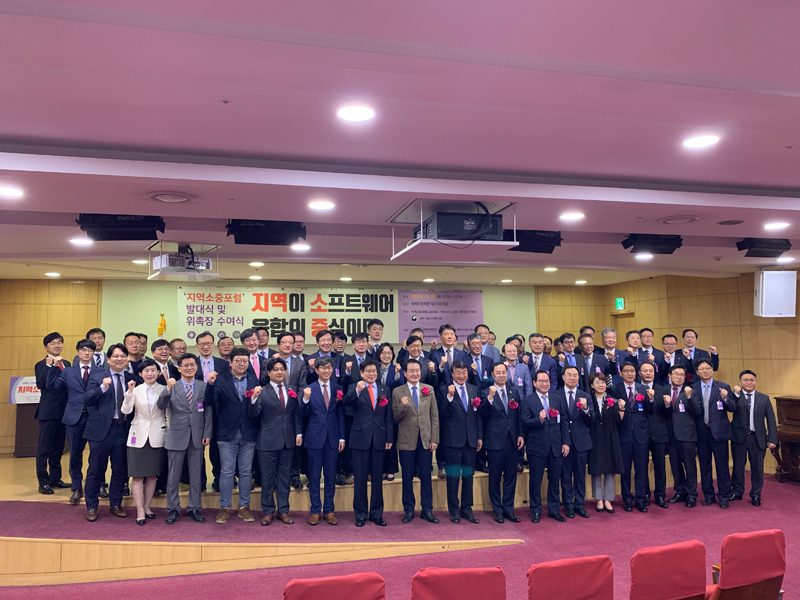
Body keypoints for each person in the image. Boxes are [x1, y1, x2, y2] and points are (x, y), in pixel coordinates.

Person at [45, 338, 103, 505]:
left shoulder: (100, 371)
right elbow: (53, 386)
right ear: (78, 352)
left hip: (94, 418)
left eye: (90, 350)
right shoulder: (68, 371)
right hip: (73, 418)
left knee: (97, 454)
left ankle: (97, 485)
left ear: (93, 353)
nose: (86, 353)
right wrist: (51, 367)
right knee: (75, 455)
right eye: (83, 350)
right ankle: (77, 488)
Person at [206, 347, 260, 524]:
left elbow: (256, 406)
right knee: (227, 471)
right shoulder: (220, 380)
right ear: (231, 362)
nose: (241, 364)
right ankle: (225, 507)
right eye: (238, 360)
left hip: (248, 432)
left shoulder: (253, 380)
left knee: (246, 471)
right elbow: (210, 402)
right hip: (226, 433)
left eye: (245, 361)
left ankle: (244, 507)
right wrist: (210, 385)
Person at [157, 353, 213, 524]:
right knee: (173, 476)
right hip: (176, 435)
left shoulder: (203, 386)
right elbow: (161, 405)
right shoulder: (172, 386)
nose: (189, 368)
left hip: (197, 436)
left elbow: (208, 412)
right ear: (179, 368)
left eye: (192, 365)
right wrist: (167, 389)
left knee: (196, 475)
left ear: (197, 367)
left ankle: (194, 508)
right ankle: (173, 508)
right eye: (186, 365)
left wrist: (207, 434)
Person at [82, 343, 134, 521]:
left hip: (123, 429)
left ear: (127, 359)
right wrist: (103, 388)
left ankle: (116, 504)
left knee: (120, 470)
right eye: (115, 356)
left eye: (122, 356)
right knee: (96, 470)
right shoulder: (98, 377)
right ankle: (91, 506)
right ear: (109, 359)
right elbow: (87, 399)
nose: (119, 359)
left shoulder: (132, 379)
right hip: (100, 431)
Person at [248, 357, 302, 526]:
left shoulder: (291, 390)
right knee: (267, 479)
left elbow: (296, 415)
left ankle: (283, 511)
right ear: (269, 373)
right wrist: (253, 398)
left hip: (288, 440)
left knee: (284, 478)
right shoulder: (262, 391)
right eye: (276, 370)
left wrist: (298, 433)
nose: (279, 372)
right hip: (267, 441)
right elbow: (253, 414)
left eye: (282, 369)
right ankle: (268, 511)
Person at [344, 359, 393, 526]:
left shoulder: (384, 389)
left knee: (378, 479)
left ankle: (377, 513)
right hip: (360, 439)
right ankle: (360, 514)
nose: (371, 374)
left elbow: (388, 416)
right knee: (360, 479)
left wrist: (389, 437)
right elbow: (346, 402)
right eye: (368, 371)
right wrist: (357, 391)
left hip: (379, 438)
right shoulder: (354, 387)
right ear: (361, 373)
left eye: (374, 371)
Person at [393, 358, 440, 524]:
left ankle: (427, 509)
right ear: (405, 373)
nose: (415, 374)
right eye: (411, 371)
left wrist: (434, 439)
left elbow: (434, 416)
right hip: (406, 440)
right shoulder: (397, 391)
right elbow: (395, 417)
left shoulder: (429, 389)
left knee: (426, 476)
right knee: (407, 477)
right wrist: (403, 406)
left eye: (417, 371)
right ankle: (409, 509)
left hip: (425, 440)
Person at [121, 358, 166, 525]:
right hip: (137, 435)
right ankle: (139, 510)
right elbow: (125, 410)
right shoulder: (135, 390)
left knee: (152, 475)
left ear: (158, 372)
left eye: (153, 370)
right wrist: (129, 393)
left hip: (157, 435)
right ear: (140, 374)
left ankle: (147, 507)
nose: (150, 373)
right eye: (146, 371)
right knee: (137, 476)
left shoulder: (164, 389)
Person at [301, 358, 345, 525]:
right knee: (313, 476)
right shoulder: (309, 389)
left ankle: (329, 510)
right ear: (316, 370)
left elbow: (340, 414)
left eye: (329, 368)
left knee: (330, 476)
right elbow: (302, 414)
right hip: (314, 438)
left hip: (332, 438)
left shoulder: (337, 388)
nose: (326, 371)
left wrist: (341, 437)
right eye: (323, 368)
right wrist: (305, 399)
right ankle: (315, 510)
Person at [521, 370, 569, 523]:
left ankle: (554, 510)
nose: (544, 383)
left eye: (546, 381)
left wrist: (566, 442)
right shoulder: (528, 400)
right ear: (534, 383)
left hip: (556, 447)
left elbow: (564, 422)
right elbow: (525, 423)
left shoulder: (557, 398)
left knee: (554, 480)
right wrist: (539, 419)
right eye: (541, 381)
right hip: (537, 448)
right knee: (536, 481)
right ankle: (535, 510)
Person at [479, 362, 524, 523]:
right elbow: (482, 414)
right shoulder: (485, 392)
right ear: (492, 375)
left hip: (512, 440)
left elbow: (518, 416)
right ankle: (497, 510)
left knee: (511, 477)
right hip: (494, 441)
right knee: (495, 478)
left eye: (503, 372)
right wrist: (490, 398)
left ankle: (508, 509)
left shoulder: (514, 391)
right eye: (497, 373)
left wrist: (520, 434)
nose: (501, 375)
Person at [438, 360, 482, 524]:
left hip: (471, 440)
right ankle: (454, 509)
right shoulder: (444, 390)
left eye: (464, 373)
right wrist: (449, 397)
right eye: (458, 373)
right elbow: (443, 413)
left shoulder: (473, 389)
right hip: (453, 441)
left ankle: (467, 508)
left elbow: (477, 416)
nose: (462, 376)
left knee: (468, 476)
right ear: (452, 374)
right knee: (453, 477)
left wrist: (479, 436)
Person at [729, 370, 778, 506]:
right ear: (740, 382)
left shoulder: (764, 398)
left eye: (751, 380)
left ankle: (756, 494)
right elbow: (730, 408)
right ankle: (737, 491)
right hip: (739, 438)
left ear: (755, 381)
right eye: (745, 380)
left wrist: (772, 439)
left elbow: (771, 420)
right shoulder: (735, 396)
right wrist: (735, 395)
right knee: (738, 467)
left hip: (757, 438)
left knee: (757, 468)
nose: (749, 382)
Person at [692, 359, 734, 509]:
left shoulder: (723, 386)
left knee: (722, 466)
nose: (705, 371)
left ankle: (724, 495)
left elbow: (732, 408)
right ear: (697, 372)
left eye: (707, 368)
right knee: (705, 466)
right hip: (701, 432)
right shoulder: (693, 388)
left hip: (719, 432)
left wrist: (725, 398)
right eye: (701, 369)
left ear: (712, 369)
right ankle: (708, 495)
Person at [611, 361, 650, 512]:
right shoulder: (615, 389)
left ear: (637, 373)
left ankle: (640, 499)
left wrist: (651, 399)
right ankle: (627, 498)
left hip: (641, 435)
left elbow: (649, 410)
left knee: (641, 469)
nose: (630, 373)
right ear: (621, 373)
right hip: (624, 435)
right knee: (625, 470)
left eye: (632, 371)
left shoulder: (643, 389)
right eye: (626, 371)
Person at [34, 332, 70, 494]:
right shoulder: (41, 365)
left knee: (58, 449)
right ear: (46, 346)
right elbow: (41, 384)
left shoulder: (66, 363)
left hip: (64, 412)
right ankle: (43, 482)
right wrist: (49, 366)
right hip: (48, 413)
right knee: (44, 449)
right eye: (53, 343)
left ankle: (56, 479)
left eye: (59, 342)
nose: (57, 345)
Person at [557, 365, 593, 518]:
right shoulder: (556, 395)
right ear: (563, 377)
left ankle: (579, 504)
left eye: (575, 375)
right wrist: (563, 441)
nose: (572, 378)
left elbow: (592, 419)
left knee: (580, 476)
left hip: (581, 442)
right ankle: (568, 505)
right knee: (565, 476)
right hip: (564, 442)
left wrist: (585, 409)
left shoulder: (585, 396)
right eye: (569, 375)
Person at [665, 366, 702, 507]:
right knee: (675, 466)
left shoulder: (692, 391)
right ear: (670, 375)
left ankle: (692, 494)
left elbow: (697, 411)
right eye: (676, 374)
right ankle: (680, 491)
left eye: (682, 374)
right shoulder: (664, 390)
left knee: (689, 466)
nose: (679, 377)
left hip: (687, 435)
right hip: (670, 435)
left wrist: (689, 397)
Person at [587, 373, 623, 513]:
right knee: (596, 469)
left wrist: (621, 409)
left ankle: (608, 498)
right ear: (592, 385)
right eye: (597, 382)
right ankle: (599, 499)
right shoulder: (588, 400)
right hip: (594, 437)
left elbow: (618, 421)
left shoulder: (612, 400)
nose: (601, 385)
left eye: (603, 382)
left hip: (610, 437)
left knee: (610, 469)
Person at [639, 361, 670, 508]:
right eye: (645, 371)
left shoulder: (662, 389)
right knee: (642, 466)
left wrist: (668, 405)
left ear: (654, 372)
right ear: (640, 373)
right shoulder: (637, 389)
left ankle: (660, 495)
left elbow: (667, 414)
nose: (648, 373)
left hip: (659, 433)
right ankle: (644, 494)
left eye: (650, 371)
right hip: (640, 434)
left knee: (660, 466)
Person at [376, 342, 403, 481]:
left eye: (389, 353)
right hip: (376, 409)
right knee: (379, 439)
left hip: (392, 407)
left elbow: (401, 386)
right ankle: (380, 469)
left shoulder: (397, 369)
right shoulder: (374, 368)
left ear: (393, 355)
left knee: (391, 438)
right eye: (383, 353)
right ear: (379, 355)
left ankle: (391, 469)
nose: (386, 355)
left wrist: (398, 375)